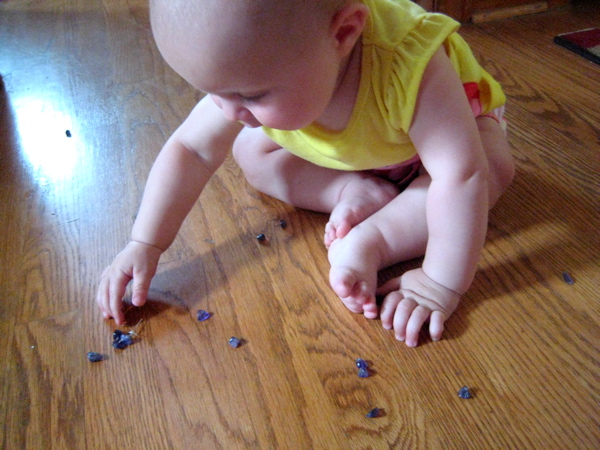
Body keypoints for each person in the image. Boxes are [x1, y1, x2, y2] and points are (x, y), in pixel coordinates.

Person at [97, 0, 514, 347]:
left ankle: (375, 239)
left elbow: (459, 176)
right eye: (211, 92)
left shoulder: (410, 63)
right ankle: (349, 189)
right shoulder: (263, 65)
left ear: (343, 33)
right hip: (355, 154)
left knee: (489, 169)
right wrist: (145, 242)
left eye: (249, 95)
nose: (227, 110)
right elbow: (191, 149)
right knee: (251, 151)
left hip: (436, 152)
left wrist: (439, 282)